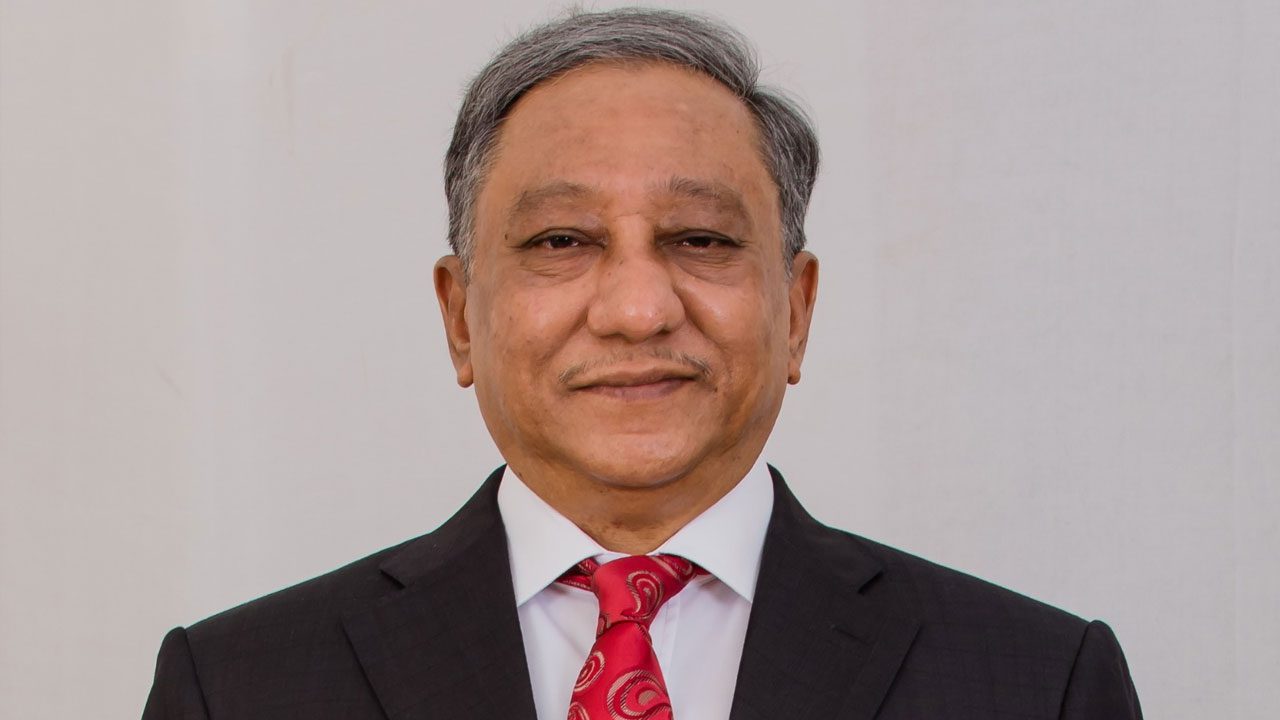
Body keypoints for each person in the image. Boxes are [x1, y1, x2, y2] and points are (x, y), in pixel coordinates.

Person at [142, 8, 1142, 719]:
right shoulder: (239, 688)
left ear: (795, 310)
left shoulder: (1037, 683)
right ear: (459, 317)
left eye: (701, 239)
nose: (635, 310)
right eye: (561, 242)